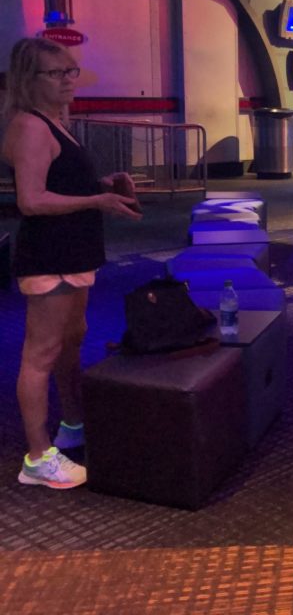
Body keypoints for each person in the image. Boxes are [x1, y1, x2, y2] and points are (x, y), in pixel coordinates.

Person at [1, 37, 142, 489]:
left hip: (73, 250)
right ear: (30, 79)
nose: (67, 81)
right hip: (51, 253)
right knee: (41, 353)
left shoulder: (54, 121)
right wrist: (97, 199)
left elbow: (60, 181)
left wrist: (103, 184)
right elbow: (32, 200)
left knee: (71, 341)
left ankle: (73, 425)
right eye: (56, 73)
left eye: (71, 72)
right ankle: (37, 459)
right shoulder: (30, 125)